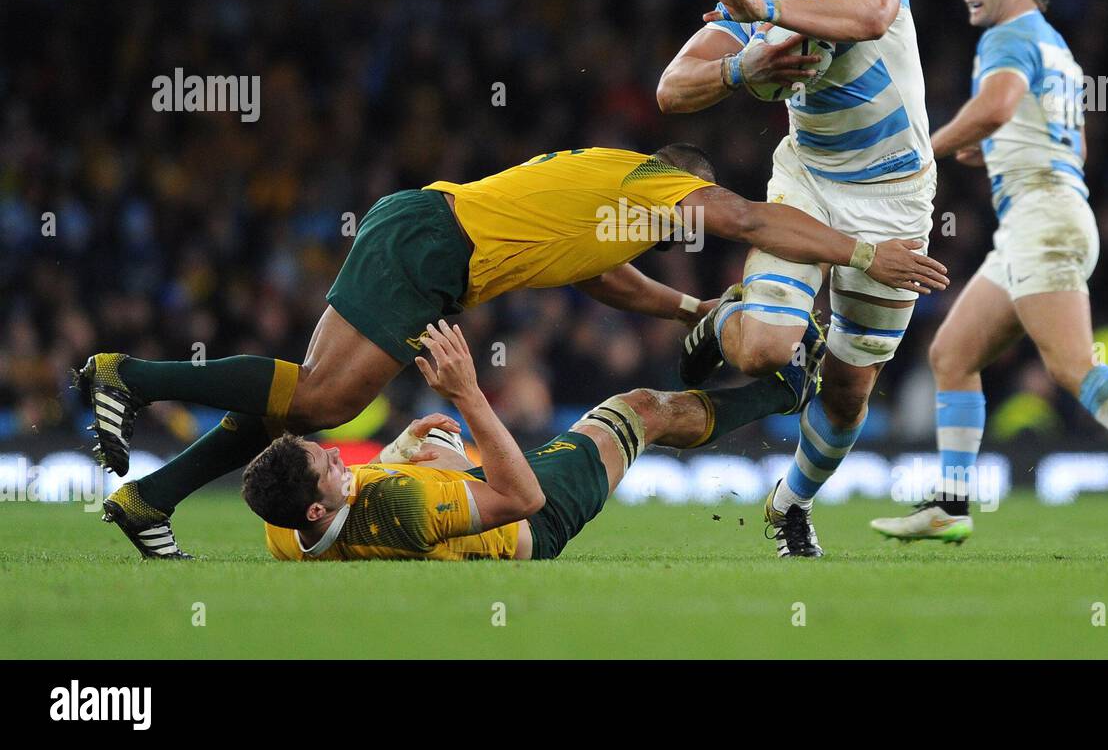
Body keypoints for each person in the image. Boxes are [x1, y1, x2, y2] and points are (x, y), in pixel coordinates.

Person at [81, 143, 945, 558]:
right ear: (683, 183)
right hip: (431, 249)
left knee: (297, 399)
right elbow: (754, 219)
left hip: (419, 230)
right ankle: (132, 376)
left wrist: (691, 303)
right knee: (322, 402)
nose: (697, 222)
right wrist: (865, 253)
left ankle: (149, 497)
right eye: (696, 206)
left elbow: (602, 277)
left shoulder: (611, 210)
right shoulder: (652, 184)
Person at [870, 0, 1108, 546]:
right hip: (1041, 216)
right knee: (952, 355)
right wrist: (989, 148)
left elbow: (996, 106)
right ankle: (951, 504)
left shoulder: (1008, 36)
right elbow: (1050, 135)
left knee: (1071, 364)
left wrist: (926, 152)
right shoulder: (1056, 50)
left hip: (1042, 221)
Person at [658, 0, 938, 556]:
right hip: (808, 183)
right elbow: (671, 90)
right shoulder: (755, 7)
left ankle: (790, 503)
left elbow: (871, 16)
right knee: (763, 352)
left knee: (847, 393)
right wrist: (740, 66)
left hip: (895, 199)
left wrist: (767, 12)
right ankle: (725, 316)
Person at [243, 317, 824, 561]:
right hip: (523, 525)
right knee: (640, 411)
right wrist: (468, 393)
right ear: (318, 505)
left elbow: (355, 493)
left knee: (431, 449)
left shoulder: (282, 529)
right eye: (328, 465)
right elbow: (523, 499)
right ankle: (786, 389)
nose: (338, 453)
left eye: (322, 447)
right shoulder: (404, 506)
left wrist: (400, 452)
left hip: (455, 499)